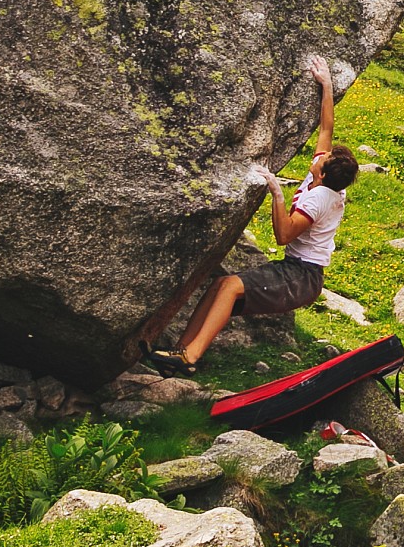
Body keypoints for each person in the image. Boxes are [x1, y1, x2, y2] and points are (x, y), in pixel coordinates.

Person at [150, 54, 354, 375]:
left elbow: (284, 234)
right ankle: (180, 352)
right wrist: (326, 84)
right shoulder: (325, 176)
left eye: (322, 160)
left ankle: (190, 358)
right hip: (294, 270)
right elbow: (326, 126)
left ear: (324, 175)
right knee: (221, 286)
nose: (320, 155)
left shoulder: (320, 198)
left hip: (302, 277)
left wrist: (276, 193)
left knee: (230, 286)